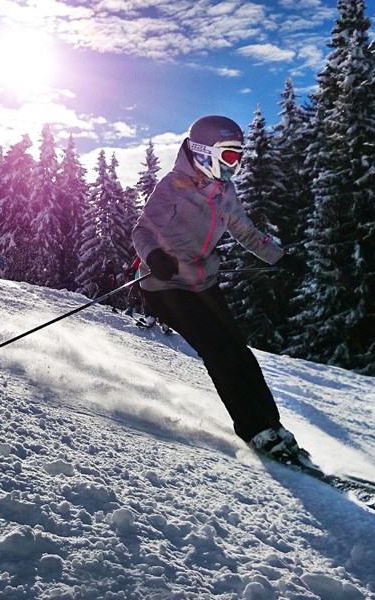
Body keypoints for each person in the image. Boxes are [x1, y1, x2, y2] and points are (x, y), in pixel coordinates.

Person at [131, 115, 308, 461]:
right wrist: (154, 256)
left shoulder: (225, 191)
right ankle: (253, 430)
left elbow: (245, 232)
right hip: (165, 284)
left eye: (239, 157)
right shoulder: (172, 186)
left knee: (239, 350)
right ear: (202, 152)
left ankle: (273, 425)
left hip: (202, 281)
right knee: (218, 350)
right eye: (229, 156)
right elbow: (142, 231)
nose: (235, 165)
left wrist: (280, 258)